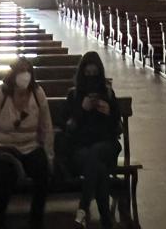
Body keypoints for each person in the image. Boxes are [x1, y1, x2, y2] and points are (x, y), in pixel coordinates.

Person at [0, 57, 54, 229]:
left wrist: (49, 155)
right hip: (5, 148)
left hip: (30, 146)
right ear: (13, 75)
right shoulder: (1, 95)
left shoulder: (37, 94)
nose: (24, 76)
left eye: (27, 72)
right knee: (5, 174)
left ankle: (36, 221)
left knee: (42, 171)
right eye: (21, 72)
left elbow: (46, 127)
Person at [64, 51, 122, 229]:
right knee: (98, 167)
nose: (91, 77)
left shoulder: (108, 93)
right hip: (81, 147)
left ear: (100, 73)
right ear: (82, 73)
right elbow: (68, 128)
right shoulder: (74, 95)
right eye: (87, 73)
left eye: (94, 73)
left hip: (106, 145)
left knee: (96, 153)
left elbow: (116, 127)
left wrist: (109, 112)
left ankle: (83, 208)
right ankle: (106, 220)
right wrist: (82, 110)